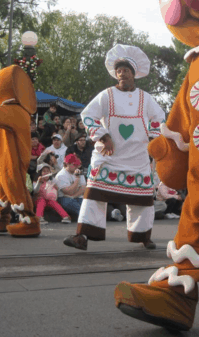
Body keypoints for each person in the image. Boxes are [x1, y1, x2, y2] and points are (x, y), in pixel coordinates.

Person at [64, 44, 165, 251]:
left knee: (143, 200)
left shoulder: (145, 98)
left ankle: (143, 236)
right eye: (118, 71)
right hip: (108, 156)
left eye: (126, 71)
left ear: (133, 74)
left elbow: (158, 118)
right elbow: (88, 115)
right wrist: (103, 135)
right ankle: (82, 236)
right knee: (93, 195)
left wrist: (154, 141)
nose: (121, 74)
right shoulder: (106, 95)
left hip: (137, 156)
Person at [54, 154, 86, 219]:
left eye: (77, 165)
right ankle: (85, 218)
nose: (77, 167)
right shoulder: (61, 175)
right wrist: (77, 179)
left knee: (86, 203)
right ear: (67, 164)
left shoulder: (78, 171)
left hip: (76, 196)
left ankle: (87, 217)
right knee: (70, 202)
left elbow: (83, 188)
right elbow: (68, 191)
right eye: (74, 165)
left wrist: (74, 196)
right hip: (64, 198)